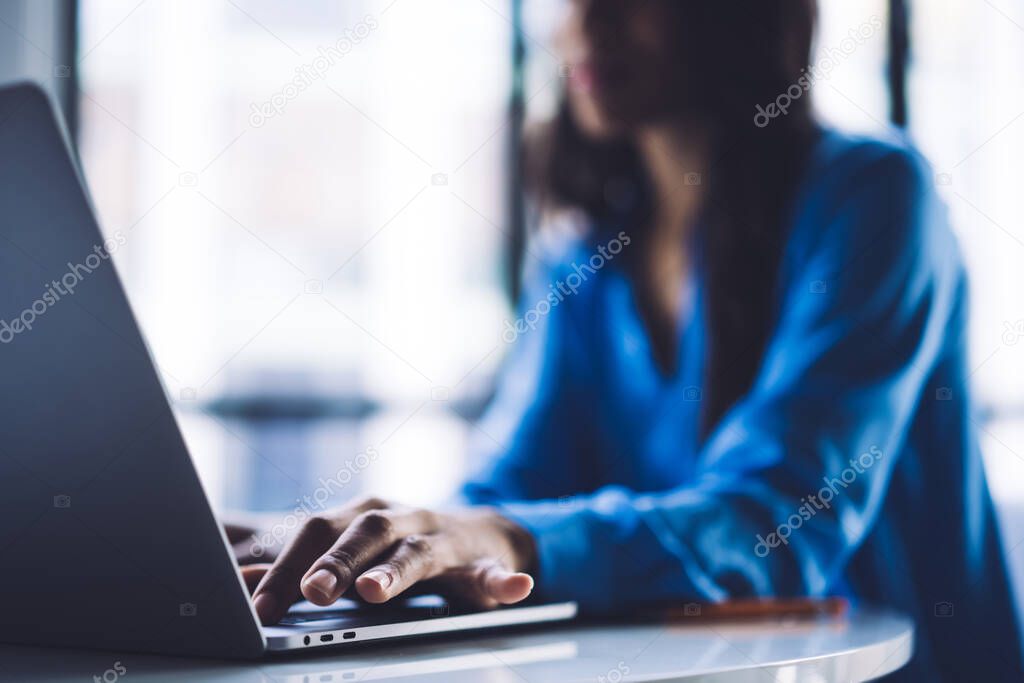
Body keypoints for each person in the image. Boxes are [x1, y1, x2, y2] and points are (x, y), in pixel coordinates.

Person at [237, 1, 1022, 679]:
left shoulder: (873, 199)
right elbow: (512, 490)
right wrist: (359, 550)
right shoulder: (587, 245)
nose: (586, 20)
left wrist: (502, 537)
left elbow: (777, 522)